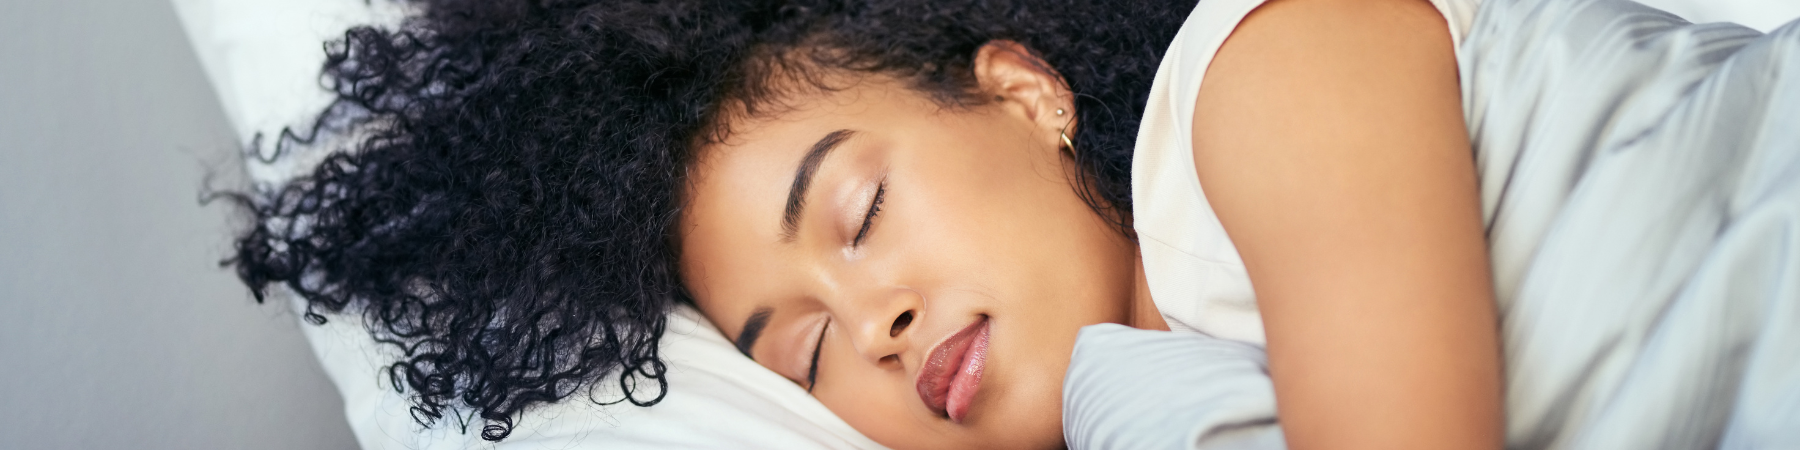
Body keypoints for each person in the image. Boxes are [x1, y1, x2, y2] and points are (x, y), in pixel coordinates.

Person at [228, 0, 1800, 448]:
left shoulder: (1261, 72)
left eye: (856, 213)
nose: (882, 324)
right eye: (808, 348)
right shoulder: (1139, 387)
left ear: (1026, 90)